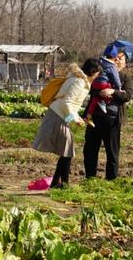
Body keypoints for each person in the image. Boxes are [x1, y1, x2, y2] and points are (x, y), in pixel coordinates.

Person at [32, 58, 103, 188]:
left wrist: (78, 118)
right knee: (68, 152)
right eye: (97, 73)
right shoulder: (79, 82)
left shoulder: (78, 80)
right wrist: (74, 119)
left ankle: (56, 183)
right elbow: (67, 103)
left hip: (59, 115)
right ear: (93, 72)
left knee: (67, 152)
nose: (98, 76)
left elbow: (69, 104)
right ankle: (63, 184)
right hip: (58, 116)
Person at [83, 42, 133, 180]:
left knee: (112, 152)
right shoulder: (100, 73)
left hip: (113, 119)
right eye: (116, 57)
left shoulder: (124, 78)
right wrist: (100, 92)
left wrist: (113, 91)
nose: (117, 60)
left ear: (125, 63)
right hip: (94, 117)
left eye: (121, 58)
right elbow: (91, 88)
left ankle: (111, 180)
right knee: (90, 151)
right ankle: (90, 179)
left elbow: (127, 95)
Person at [84, 46, 122, 122]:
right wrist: (119, 88)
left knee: (95, 99)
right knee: (110, 90)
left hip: (94, 83)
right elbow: (116, 79)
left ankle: (88, 115)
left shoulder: (100, 62)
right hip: (103, 85)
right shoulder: (111, 66)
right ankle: (104, 102)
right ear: (115, 57)